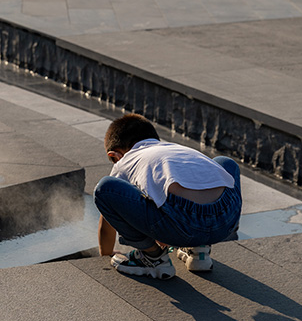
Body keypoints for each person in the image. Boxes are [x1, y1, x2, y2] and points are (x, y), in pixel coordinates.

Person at [93, 113, 242, 280]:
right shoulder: (174, 149)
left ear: (114, 155)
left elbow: (107, 219)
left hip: (182, 227)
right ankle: (199, 251)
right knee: (225, 163)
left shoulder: (125, 161)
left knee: (105, 188)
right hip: (224, 223)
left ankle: (153, 258)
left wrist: (105, 254)